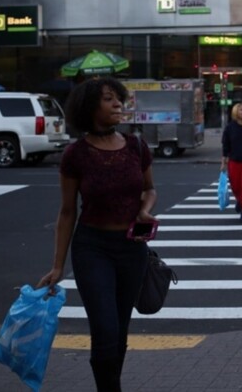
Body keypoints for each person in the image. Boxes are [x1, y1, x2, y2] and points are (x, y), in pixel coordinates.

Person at [37, 77, 157, 392]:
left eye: (119, 97)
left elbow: (150, 189)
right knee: (104, 328)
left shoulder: (136, 145)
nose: (118, 103)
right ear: (91, 106)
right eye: (108, 99)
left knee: (119, 331)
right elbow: (67, 212)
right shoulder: (76, 154)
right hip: (93, 249)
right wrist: (58, 266)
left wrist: (145, 209)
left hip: (132, 249)